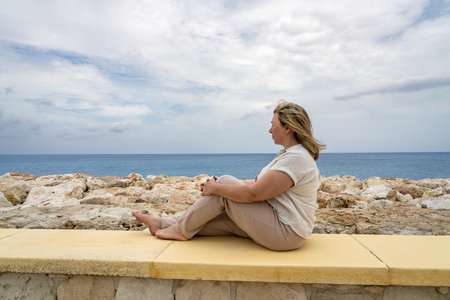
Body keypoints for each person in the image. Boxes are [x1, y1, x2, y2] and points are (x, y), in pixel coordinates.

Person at [133, 99, 326, 251]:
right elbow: (261, 186)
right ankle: (164, 223)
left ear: (287, 127)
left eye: (272, 124)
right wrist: (224, 189)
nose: (269, 130)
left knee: (224, 185)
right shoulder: (289, 155)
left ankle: (180, 230)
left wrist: (217, 188)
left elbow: (254, 194)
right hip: (279, 225)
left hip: (286, 233)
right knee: (219, 218)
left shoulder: (296, 158)